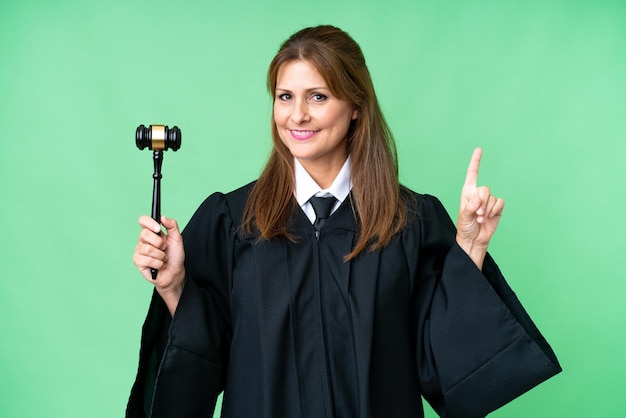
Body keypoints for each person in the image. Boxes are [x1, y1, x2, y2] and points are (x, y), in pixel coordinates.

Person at [127, 25, 561, 418]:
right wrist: (174, 286)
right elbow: (205, 357)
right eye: (285, 96)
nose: (297, 115)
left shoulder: (409, 222)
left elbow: (441, 360)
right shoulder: (232, 220)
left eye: (318, 96)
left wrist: (469, 247)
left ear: (355, 106)